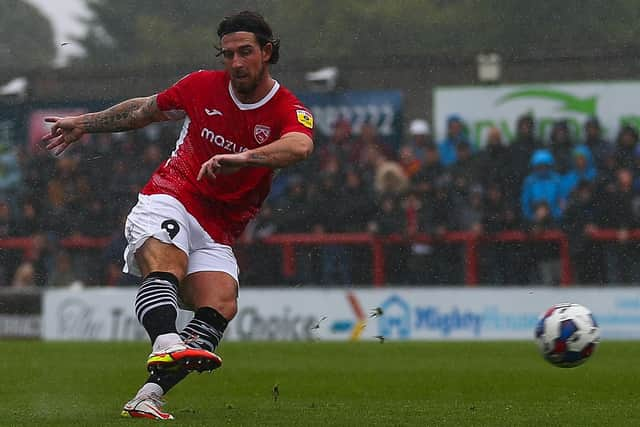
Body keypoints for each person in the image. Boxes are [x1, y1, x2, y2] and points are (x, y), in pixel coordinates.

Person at [42, 11, 314, 420]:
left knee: (220, 304)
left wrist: (244, 158)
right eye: (228, 54)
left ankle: (148, 395)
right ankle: (165, 340)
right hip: (171, 196)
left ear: (267, 52)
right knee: (169, 263)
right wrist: (85, 123)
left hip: (219, 227)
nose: (236, 63)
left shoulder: (286, 108)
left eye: (245, 52)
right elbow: (143, 110)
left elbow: (300, 147)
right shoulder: (201, 85)